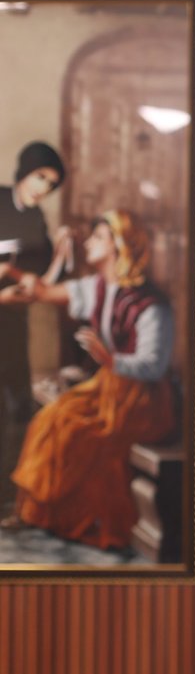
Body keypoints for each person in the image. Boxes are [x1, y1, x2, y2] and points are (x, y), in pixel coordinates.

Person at [2, 208, 176, 549]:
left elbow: (153, 367)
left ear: (118, 245)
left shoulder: (150, 304)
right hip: (108, 387)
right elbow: (43, 292)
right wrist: (15, 270)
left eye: (98, 237)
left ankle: (70, 518)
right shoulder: (96, 288)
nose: (88, 243)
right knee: (48, 419)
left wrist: (110, 359)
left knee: (79, 432)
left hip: (142, 399)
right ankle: (40, 512)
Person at [0, 142, 68, 483]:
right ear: (25, 171)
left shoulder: (36, 218)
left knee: (18, 406)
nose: (43, 188)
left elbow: (41, 283)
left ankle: (10, 490)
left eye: (51, 184)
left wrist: (61, 253)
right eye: (40, 177)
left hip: (11, 326)